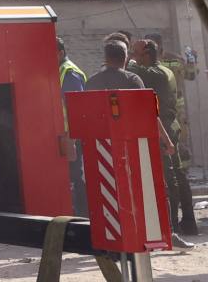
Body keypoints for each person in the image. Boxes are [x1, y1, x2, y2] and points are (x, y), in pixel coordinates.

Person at [86, 39, 190, 247]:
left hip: (102, 148)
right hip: (134, 146)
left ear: (105, 58)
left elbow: (87, 116)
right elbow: (150, 113)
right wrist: (167, 141)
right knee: (153, 189)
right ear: (125, 58)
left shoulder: (92, 82)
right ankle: (163, 233)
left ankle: (112, 237)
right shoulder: (133, 80)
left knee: (111, 192)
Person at [137, 39, 199, 236]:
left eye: (137, 53)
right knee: (178, 175)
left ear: (147, 54)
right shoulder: (168, 68)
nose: (134, 56)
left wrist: (128, 53)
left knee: (171, 178)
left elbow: (127, 67)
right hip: (172, 127)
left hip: (165, 129)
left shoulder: (154, 73)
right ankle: (187, 222)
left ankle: (172, 226)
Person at [60, 40, 87, 214]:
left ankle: (82, 217)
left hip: (72, 136)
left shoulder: (69, 73)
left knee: (74, 178)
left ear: (61, 52)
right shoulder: (59, 70)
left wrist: (71, 139)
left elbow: (76, 108)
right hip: (64, 135)